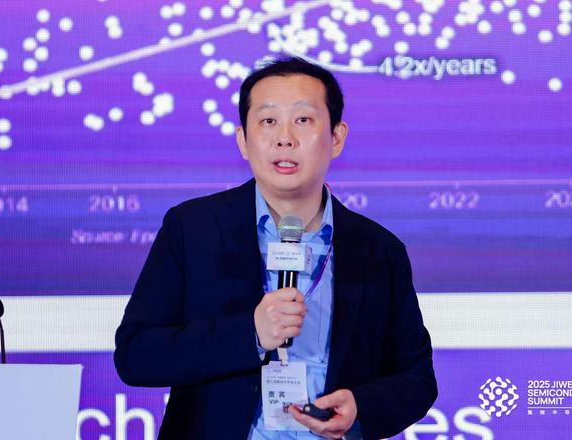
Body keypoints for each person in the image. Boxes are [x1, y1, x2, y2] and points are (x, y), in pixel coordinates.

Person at [114, 56, 437, 440]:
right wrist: (250, 333)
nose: (285, 138)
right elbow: (136, 354)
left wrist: (361, 406)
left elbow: (417, 379)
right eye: (268, 121)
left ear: (336, 137)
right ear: (243, 140)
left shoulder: (379, 249)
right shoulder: (192, 229)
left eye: (303, 120)